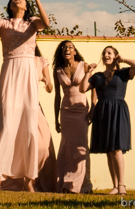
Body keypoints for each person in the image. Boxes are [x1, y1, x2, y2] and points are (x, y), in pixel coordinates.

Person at [0, 0, 50, 191]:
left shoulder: (32, 22)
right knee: (6, 125)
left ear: (26, 5)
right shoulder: (4, 22)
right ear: (10, 4)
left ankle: (29, 180)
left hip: (27, 72)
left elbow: (47, 22)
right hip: (10, 70)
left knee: (30, 128)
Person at [88, 45, 135, 196]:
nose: (106, 55)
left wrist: (124, 60)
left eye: (109, 53)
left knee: (117, 149)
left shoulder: (123, 73)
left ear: (115, 56)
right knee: (109, 151)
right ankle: (115, 186)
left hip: (118, 111)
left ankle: (122, 185)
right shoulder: (97, 76)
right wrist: (88, 72)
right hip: (103, 112)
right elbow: (82, 88)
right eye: (104, 53)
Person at [54, 39, 94, 193]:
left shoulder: (84, 65)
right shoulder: (58, 70)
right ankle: (66, 183)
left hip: (81, 110)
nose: (67, 49)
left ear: (75, 51)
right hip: (65, 111)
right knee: (66, 147)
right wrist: (56, 117)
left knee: (82, 147)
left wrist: (93, 108)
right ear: (61, 52)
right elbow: (57, 96)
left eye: (70, 47)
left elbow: (93, 86)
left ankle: (84, 185)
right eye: (64, 47)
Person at [34, 46, 58, 191]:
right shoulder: (19, 58)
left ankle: (43, 183)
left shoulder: (41, 61)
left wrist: (46, 82)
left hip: (35, 106)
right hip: (20, 106)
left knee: (43, 145)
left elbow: (50, 89)